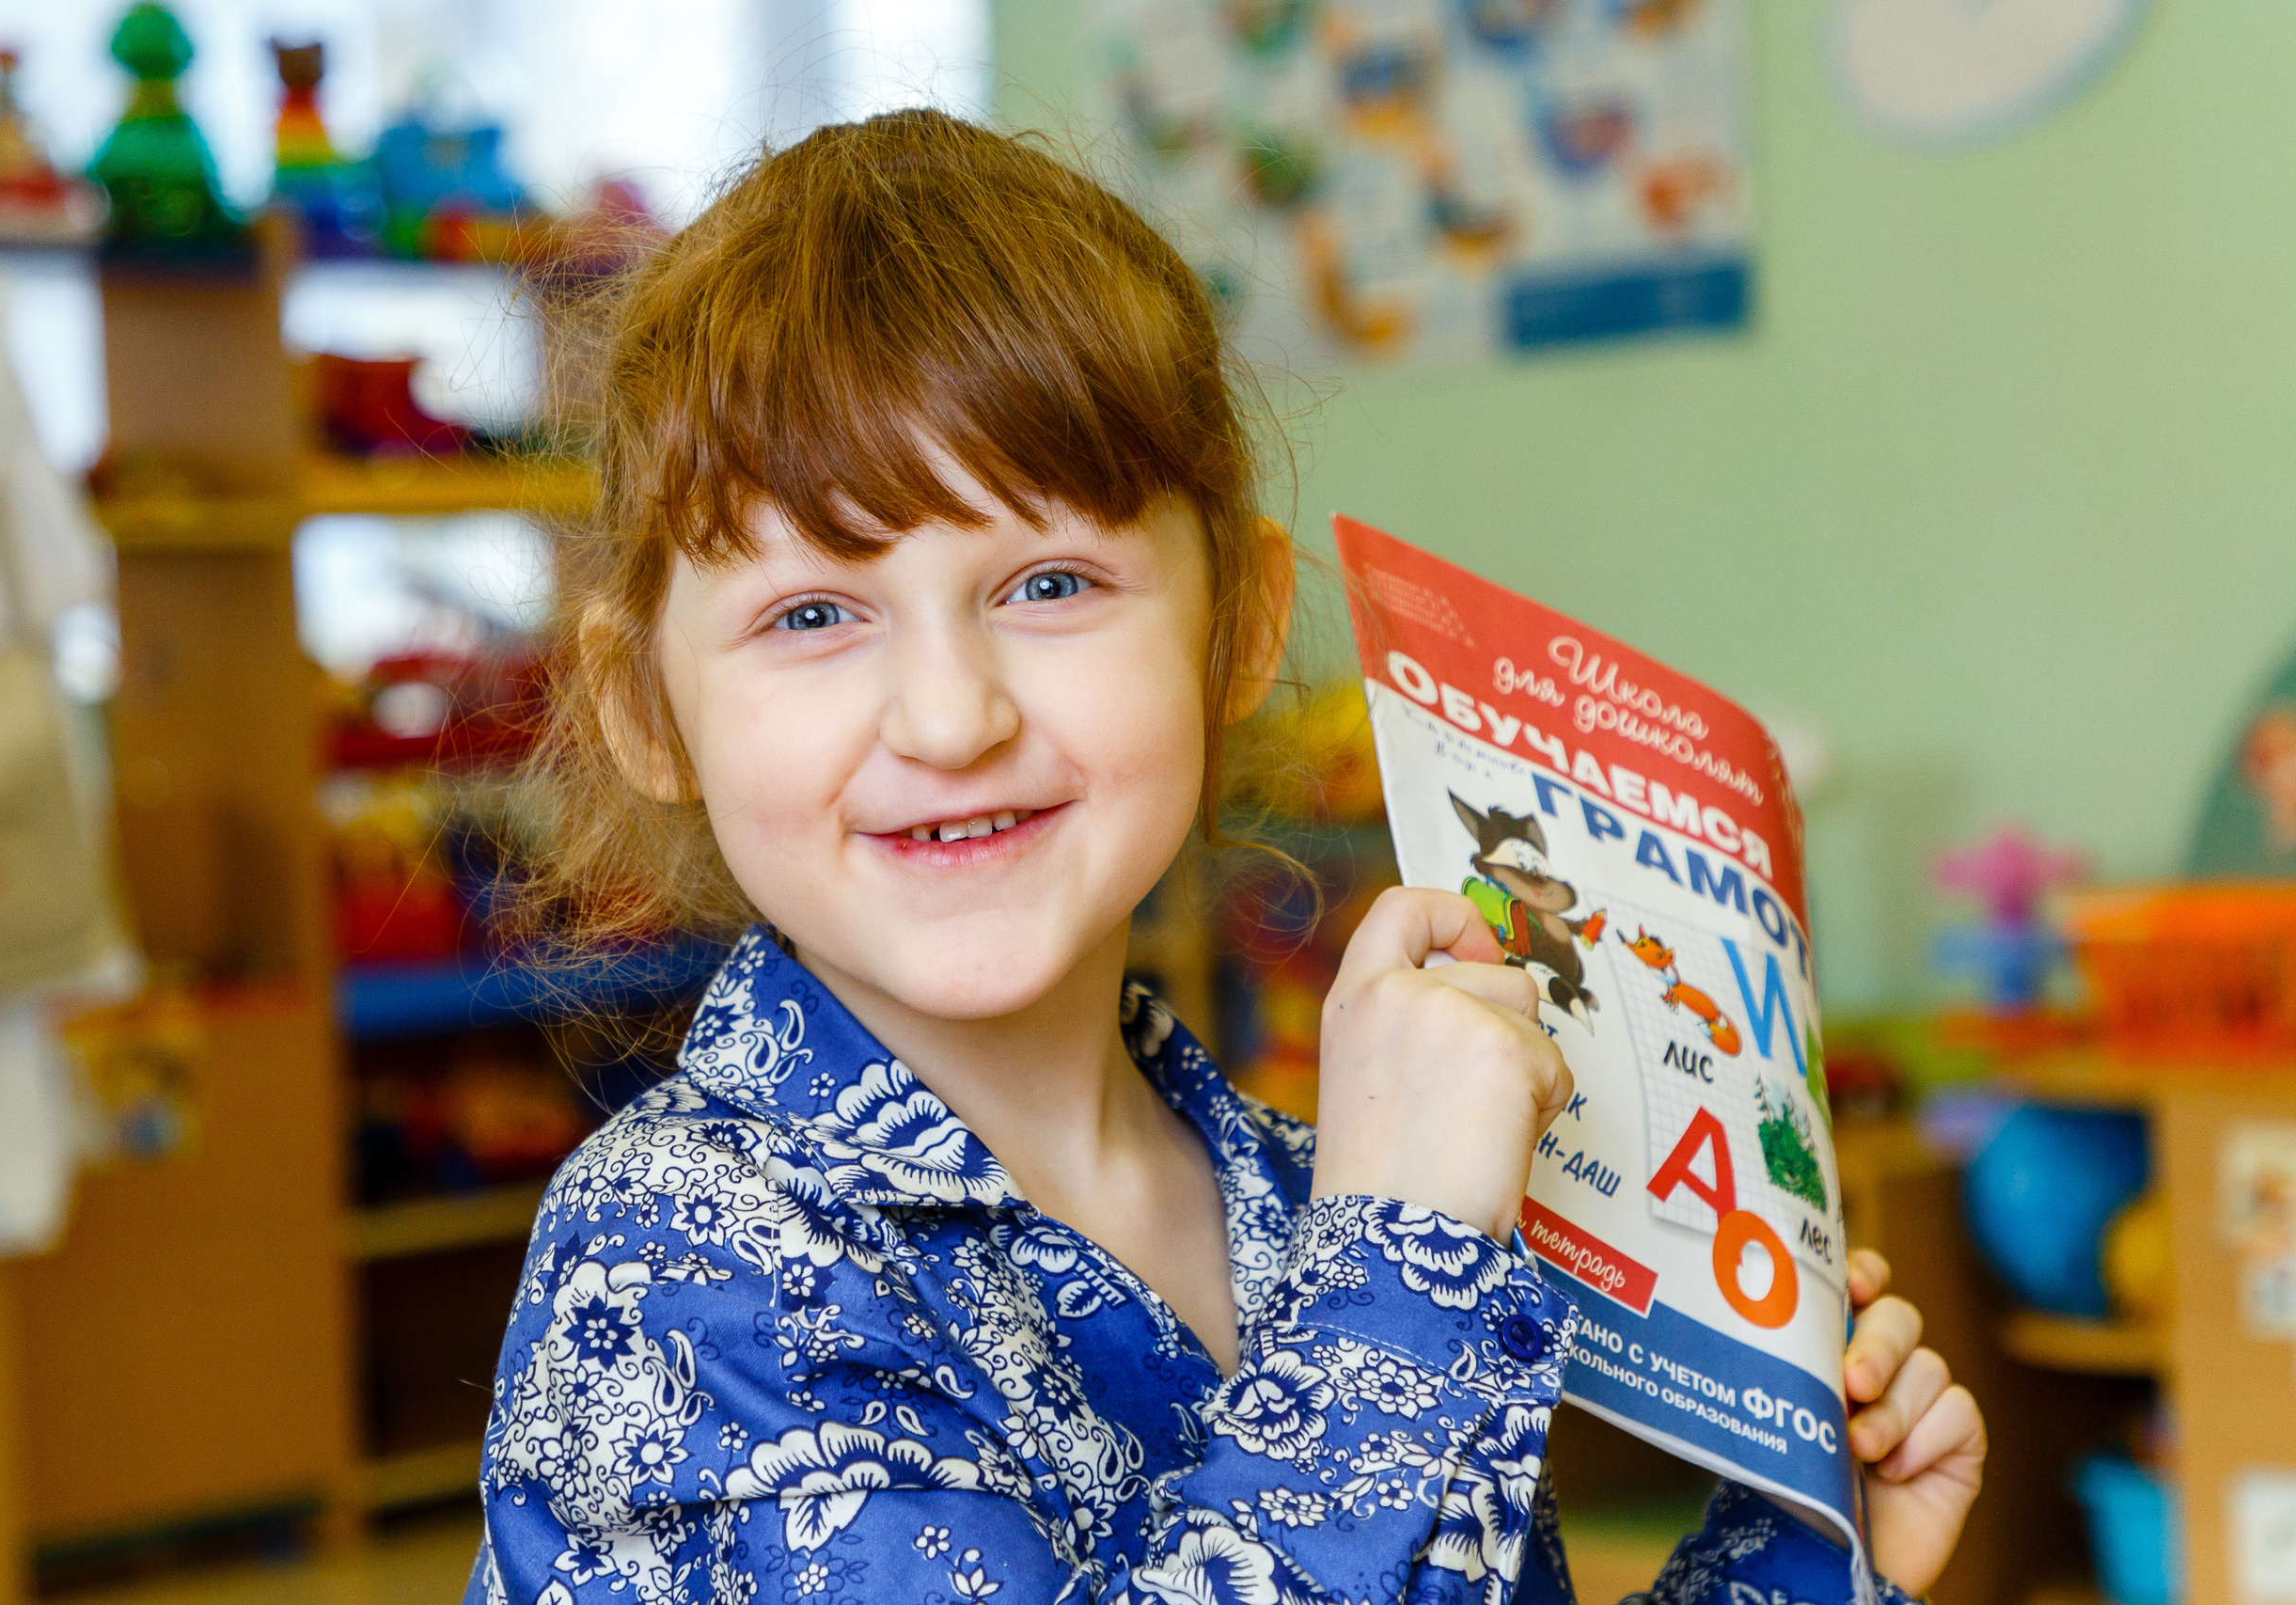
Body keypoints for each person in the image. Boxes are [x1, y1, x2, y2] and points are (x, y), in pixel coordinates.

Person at [466, 109, 1985, 1605]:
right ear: (644, 706)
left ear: (1240, 628)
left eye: (1050, 582)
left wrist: (1792, 1557)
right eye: (813, 615)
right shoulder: (682, 1263)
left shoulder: (1296, 1194)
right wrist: (1402, 1261)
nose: (948, 714)